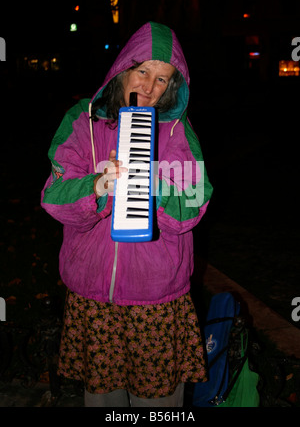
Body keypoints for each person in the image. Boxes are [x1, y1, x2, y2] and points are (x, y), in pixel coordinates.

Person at [41, 21, 213, 407]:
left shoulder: (177, 132)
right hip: (93, 298)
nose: (150, 88)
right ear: (122, 69)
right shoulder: (81, 121)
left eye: (163, 80)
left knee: (158, 404)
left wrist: (156, 182)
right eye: (143, 72)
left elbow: (195, 202)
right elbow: (54, 197)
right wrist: (98, 186)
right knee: (103, 401)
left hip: (156, 298)